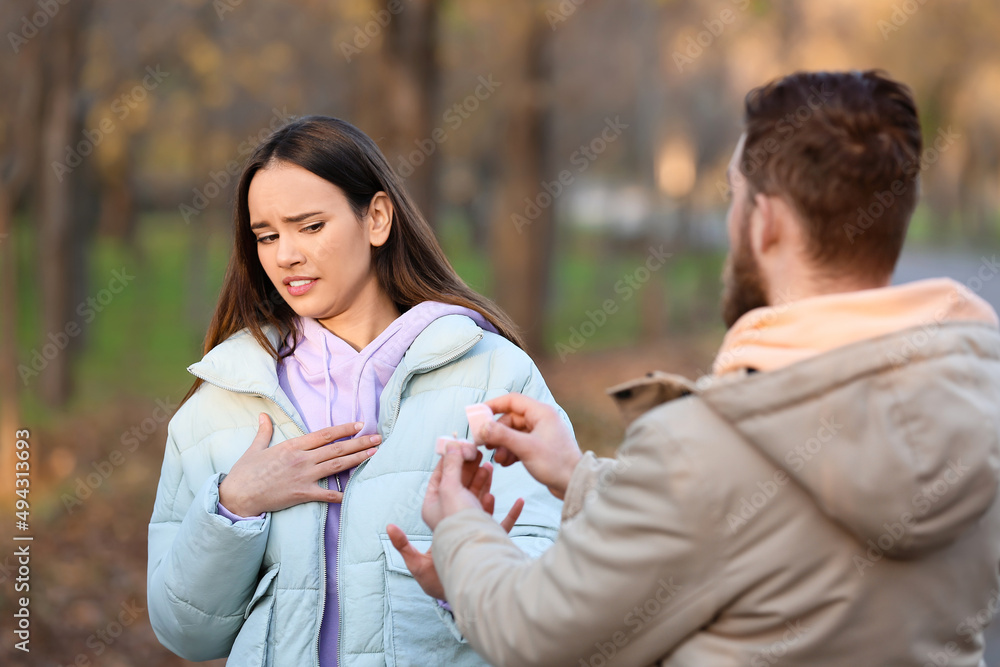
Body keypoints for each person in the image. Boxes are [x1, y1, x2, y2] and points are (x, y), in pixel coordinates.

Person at [395, 70, 1000, 665]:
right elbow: (756, 522)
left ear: (767, 224)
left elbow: (532, 633)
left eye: (735, 197)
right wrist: (577, 475)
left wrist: (462, 530)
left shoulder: (703, 451)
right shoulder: (974, 410)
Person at [146, 116, 567, 666]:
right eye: (266, 236)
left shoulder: (492, 376)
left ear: (376, 218)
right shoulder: (222, 402)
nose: (285, 255)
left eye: (310, 226)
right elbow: (184, 633)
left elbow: (555, 601)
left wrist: (460, 577)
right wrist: (233, 507)